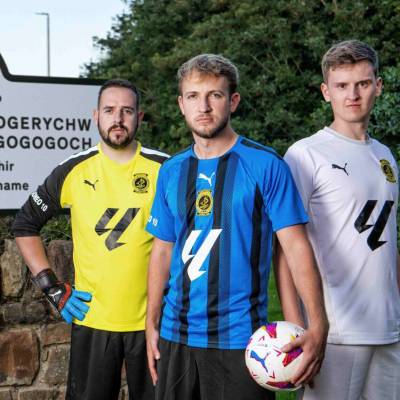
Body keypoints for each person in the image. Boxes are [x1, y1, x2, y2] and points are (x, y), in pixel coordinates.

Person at [145, 54, 328, 400]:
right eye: (193, 96)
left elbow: (296, 248)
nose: (204, 106)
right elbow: (163, 250)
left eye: (215, 95)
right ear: (180, 104)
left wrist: (317, 323)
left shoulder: (265, 164)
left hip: (242, 342)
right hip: (176, 336)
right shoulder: (171, 171)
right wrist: (151, 321)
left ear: (233, 101)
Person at [12, 79, 169, 400]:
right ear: (96, 116)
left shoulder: (166, 168)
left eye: (127, 111)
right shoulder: (73, 170)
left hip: (154, 323)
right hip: (93, 319)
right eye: (110, 110)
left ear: (139, 117)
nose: (118, 118)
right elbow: (24, 225)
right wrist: (52, 288)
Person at [275, 40, 400, 400]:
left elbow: (387, 239)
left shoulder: (385, 155)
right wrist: (297, 327)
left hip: (389, 329)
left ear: (378, 85)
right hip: (336, 330)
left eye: (362, 84)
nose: (353, 95)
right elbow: (285, 249)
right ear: (326, 92)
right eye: (342, 86)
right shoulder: (305, 154)